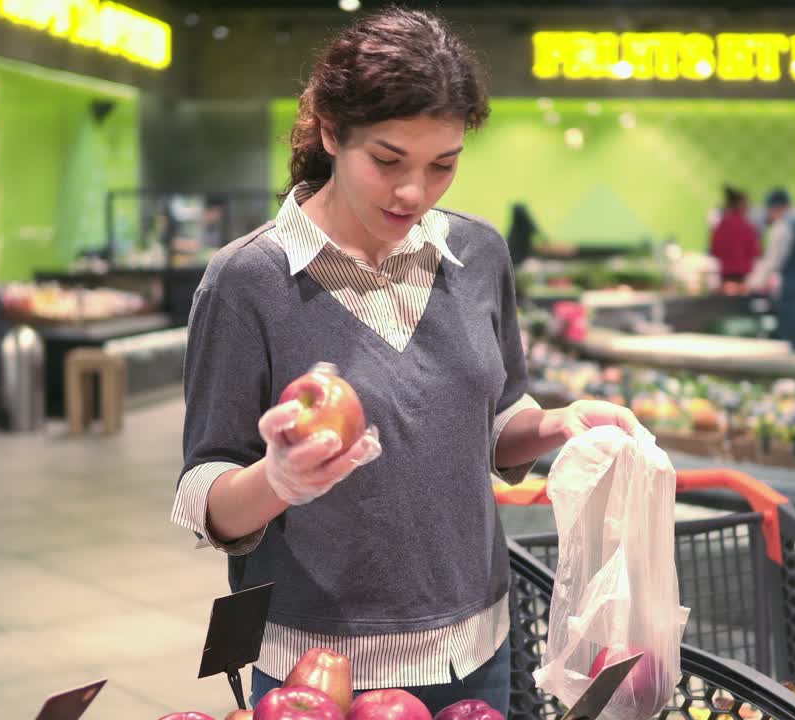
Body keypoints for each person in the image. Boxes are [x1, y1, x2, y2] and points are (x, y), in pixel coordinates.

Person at [170, 8, 638, 716]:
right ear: (332, 131)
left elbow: (498, 416)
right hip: (320, 669)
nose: (414, 192)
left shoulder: (479, 256)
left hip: (478, 644)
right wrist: (279, 479)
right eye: (387, 161)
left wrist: (558, 424)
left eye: (442, 165)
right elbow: (206, 488)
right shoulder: (248, 281)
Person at [746, 188, 795, 351]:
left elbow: (772, 261)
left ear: (776, 208)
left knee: (794, 350)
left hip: (793, 297)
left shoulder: (785, 226)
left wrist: (751, 284)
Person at [708, 186, 761, 290]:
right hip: (743, 279)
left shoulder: (721, 226)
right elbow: (755, 252)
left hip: (724, 278)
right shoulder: (747, 227)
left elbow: (714, 250)